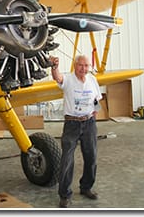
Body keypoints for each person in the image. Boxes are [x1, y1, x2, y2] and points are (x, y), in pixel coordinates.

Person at [49, 55, 102, 208]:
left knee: (91, 157)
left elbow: (97, 99)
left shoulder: (92, 80)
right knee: (67, 160)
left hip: (89, 123)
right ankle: (65, 194)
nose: (83, 68)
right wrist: (54, 66)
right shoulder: (68, 80)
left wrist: (95, 113)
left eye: (86, 65)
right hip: (72, 124)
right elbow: (57, 78)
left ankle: (86, 188)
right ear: (75, 65)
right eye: (80, 65)